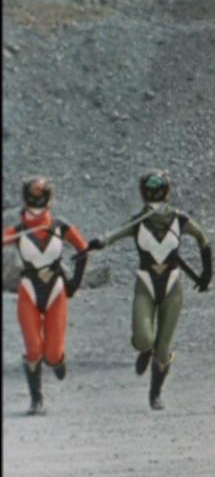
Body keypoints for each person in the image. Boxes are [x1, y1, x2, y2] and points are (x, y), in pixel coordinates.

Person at [85, 169, 212, 410]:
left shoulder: (179, 219)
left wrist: (207, 273)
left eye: (158, 189)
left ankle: (155, 393)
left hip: (172, 284)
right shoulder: (139, 222)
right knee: (143, 338)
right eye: (151, 190)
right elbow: (113, 235)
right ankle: (145, 349)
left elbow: (202, 238)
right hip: (146, 282)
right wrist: (98, 242)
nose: (155, 194)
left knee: (163, 349)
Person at [2, 177, 89, 415]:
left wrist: (74, 282)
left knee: (52, 353)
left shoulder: (59, 226)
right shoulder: (19, 230)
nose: (37, 201)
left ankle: (57, 360)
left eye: (41, 197)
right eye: (33, 197)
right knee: (33, 348)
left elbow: (82, 249)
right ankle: (36, 399)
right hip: (29, 288)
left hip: (55, 289)